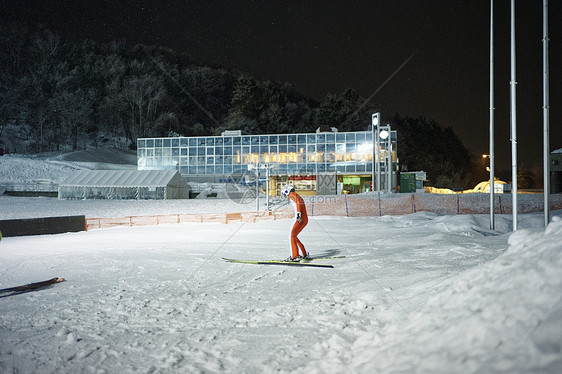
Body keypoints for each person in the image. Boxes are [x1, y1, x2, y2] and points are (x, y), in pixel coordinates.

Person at [281, 185, 309, 261]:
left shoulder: (292, 195)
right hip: (304, 219)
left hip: (299, 218)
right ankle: (304, 254)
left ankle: (295, 256)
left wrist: (298, 214)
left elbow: (298, 202)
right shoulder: (296, 195)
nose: (285, 196)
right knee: (294, 236)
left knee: (291, 235)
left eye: (284, 194)